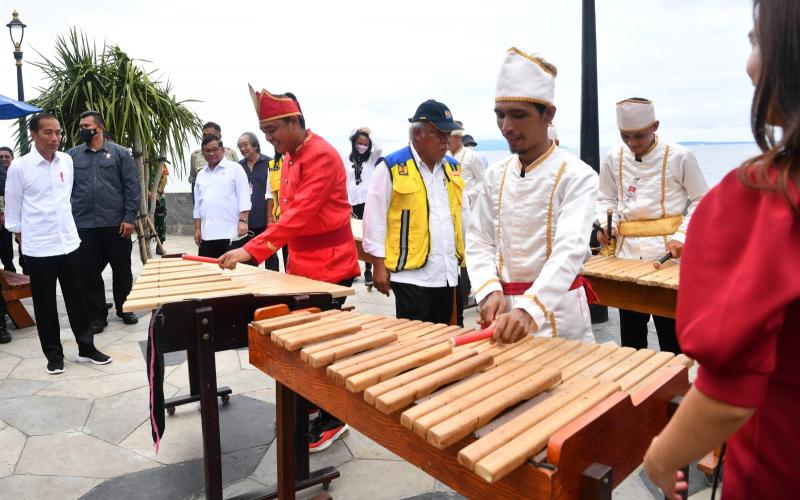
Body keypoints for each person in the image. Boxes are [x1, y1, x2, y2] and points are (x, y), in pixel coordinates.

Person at [644, 2, 800, 498]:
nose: (750, 63)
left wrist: (662, 455)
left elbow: (730, 394)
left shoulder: (767, 197)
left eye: (757, 41)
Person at [219, 86, 360, 452]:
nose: (269, 139)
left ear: (295, 121)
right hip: (301, 265)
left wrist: (250, 250)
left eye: (273, 131)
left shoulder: (322, 156)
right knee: (304, 345)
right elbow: (286, 212)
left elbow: (298, 217)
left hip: (330, 265)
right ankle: (312, 403)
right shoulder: (292, 155)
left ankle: (336, 418)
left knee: (327, 348)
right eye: (264, 133)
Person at [467, 47, 598, 344]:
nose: (506, 127)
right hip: (502, 319)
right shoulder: (494, 175)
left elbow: (570, 249)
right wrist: (489, 289)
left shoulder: (578, 175)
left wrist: (529, 309)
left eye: (518, 115)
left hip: (560, 318)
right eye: (500, 115)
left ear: (548, 114)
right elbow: (478, 238)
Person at [595, 98, 708, 353]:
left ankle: (677, 387)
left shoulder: (681, 156)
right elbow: (604, 198)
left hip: (668, 256)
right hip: (626, 257)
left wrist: (683, 236)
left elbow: (703, 200)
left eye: (639, 136)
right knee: (632, 339)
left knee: (672, 338)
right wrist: (606, 224)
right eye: (626, 136)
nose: (632, 143)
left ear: (655, 126)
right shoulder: (613, 157)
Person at [5, 113, 112, 373]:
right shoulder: (20, 168)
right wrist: (22, 236)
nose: (55, 138)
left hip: (69, 243)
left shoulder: (66, 161)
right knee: (45, 305)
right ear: (33, 135)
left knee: (78, 299)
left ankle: (87, 348)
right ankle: (54, 355)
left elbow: (67, 198)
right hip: (39, 247)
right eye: (48, 133)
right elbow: (13, 209)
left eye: (58, 132)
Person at [363, 99, 468, 326]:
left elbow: (463, 216)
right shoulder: (391, 167)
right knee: (416, 345)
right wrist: (378, 266)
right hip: (412, 276)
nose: (445, 140)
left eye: (448, 134)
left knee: (450, 340)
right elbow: (375, 219)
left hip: (448, 274)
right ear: (417, 134)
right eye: (438, 133)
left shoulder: (452, 168)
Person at [69, 111, 142, 334]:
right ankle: (97, 315)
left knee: (122, 269)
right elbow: (66, 190)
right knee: (89, 272)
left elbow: (132, 187)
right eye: (81, 125)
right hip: (85, 225)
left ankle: (124, 308)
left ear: (99, 128)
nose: (82, 129)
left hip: (116, 224)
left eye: (86, 125)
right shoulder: (72, 155)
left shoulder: (120, 154)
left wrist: (129, 218)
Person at [193, 135, 251, 258]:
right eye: (207, 151)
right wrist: (197, 229)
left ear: (222, 149)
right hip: (207, 235)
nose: (211, 153)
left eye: (215, 149)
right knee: (210, 274)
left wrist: (243, 221)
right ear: (203, 153)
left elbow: (244, 197)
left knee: (233, 273)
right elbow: (198, 206)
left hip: (230, 234)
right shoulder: (201, 174)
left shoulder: (235, 169)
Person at [344, 127, 382, 287]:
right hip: (353, 202)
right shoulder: (346, 159)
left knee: (368, 235)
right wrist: (347, 203)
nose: (362, 146)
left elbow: (379, 148)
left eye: (365, 144)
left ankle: (368, 269)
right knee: (352, 237)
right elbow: (344, 181)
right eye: (359, 143)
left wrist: (370, 133)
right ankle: (352, 268)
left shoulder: (371, 159)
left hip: (368, 202)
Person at [236, 131, 279, 270]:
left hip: (265, 218)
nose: (242, 149)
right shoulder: (238, 167)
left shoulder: (270, 163)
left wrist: (270, 219)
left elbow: (273, 192)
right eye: (240, 146)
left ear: (255, 145)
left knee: (270, 255)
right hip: (246, 221)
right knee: (247, 259)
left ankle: (274, 288)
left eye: (245, 145)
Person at [188, 122, 239, 187]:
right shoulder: (195, 155)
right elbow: (194, 181)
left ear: (219, 136)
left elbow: (238, 178)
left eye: (209, 135)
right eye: (204, 135)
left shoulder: (230, 154)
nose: (206, 138)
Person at [267, 151, 289, 271]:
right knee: (287, 257)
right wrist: (270, 219)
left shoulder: (303, 161)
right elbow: (269, 194)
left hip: (300, 220)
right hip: (281, 220)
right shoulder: (272, 165)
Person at [0, 147, 16, 272]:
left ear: (12, 157)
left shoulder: (17, 172)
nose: (4, 159)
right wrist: (2, 212)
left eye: (7, 156)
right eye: (1, 157)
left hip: (17, 217)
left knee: (8, 254)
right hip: (3, 219)